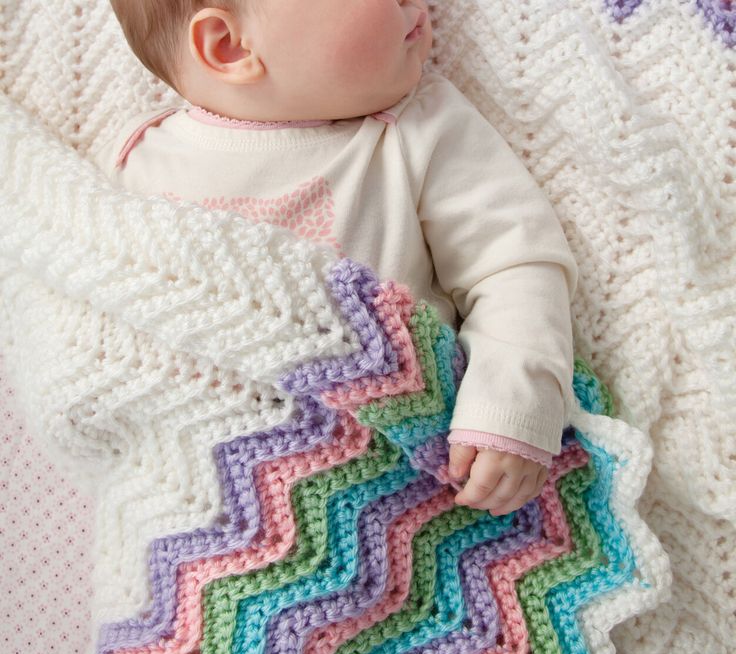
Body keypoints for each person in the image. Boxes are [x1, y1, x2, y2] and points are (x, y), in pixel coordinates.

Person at [93, 0, 578, 517]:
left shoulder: (416, 127)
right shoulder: (137, 164)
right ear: (230, 46)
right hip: (213, 489)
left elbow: (514, 262)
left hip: (406, 473)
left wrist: (512, 404)